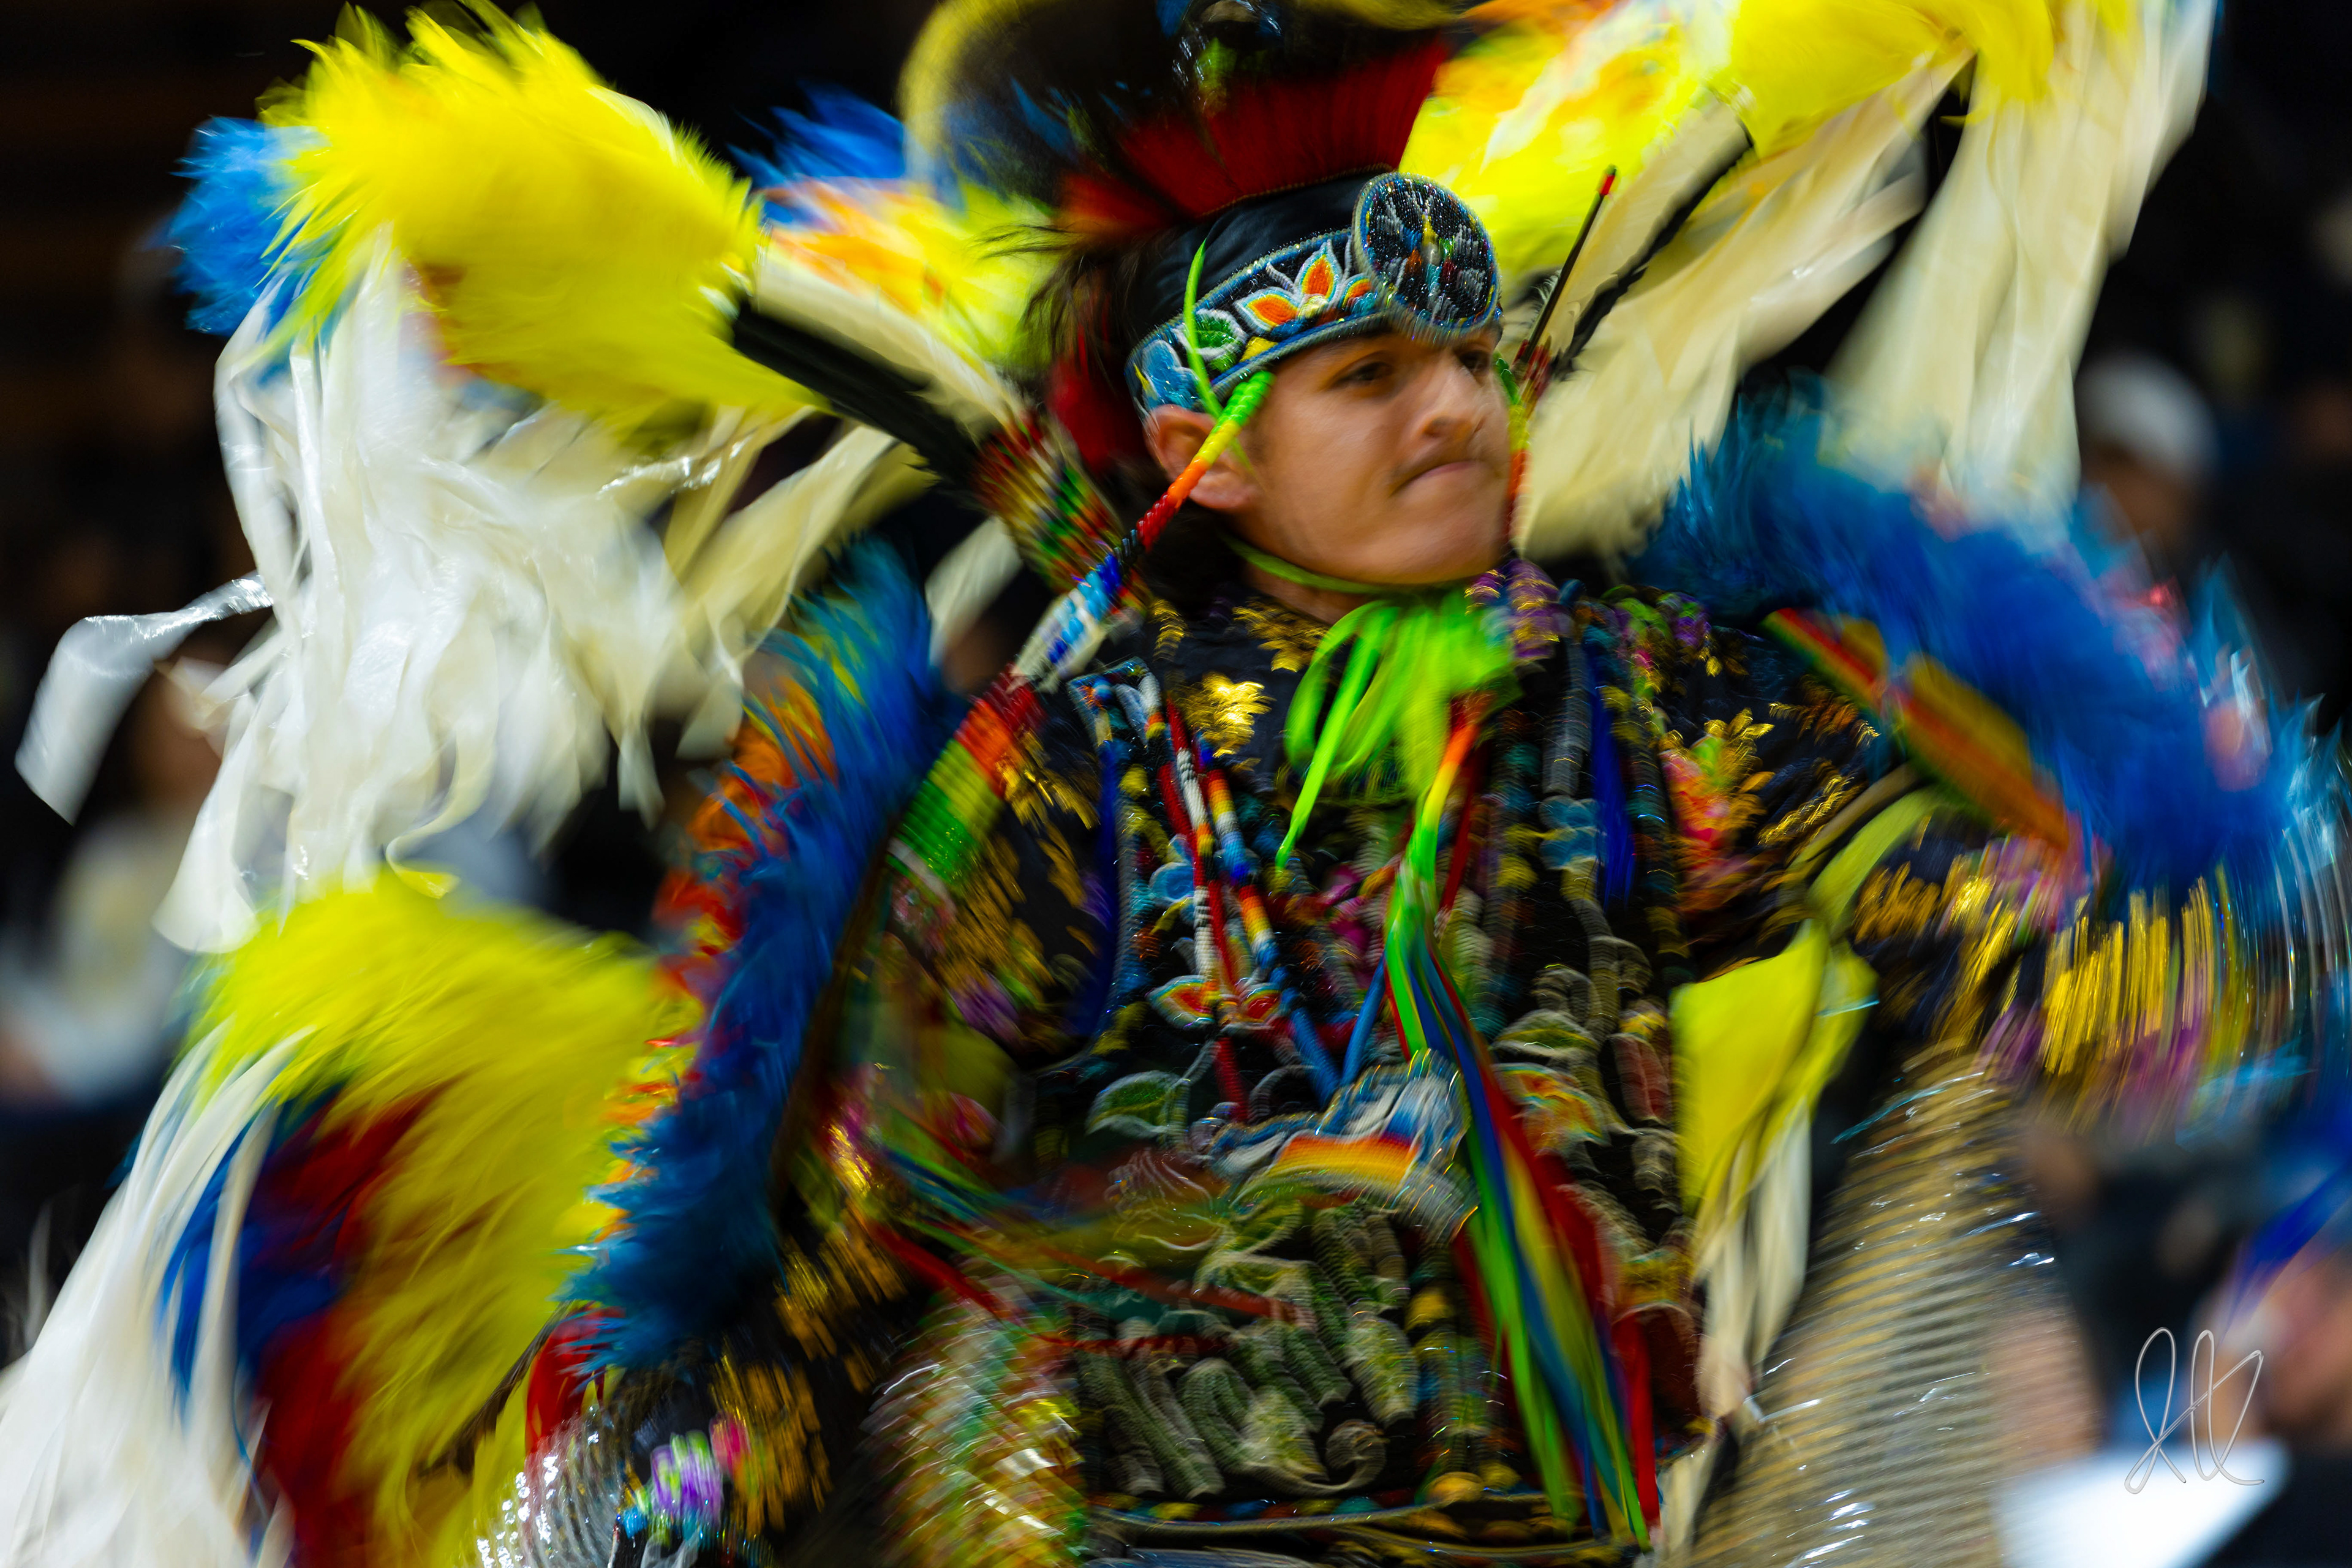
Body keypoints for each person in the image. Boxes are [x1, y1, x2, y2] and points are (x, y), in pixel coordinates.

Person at [0, 3, 2341, 1567]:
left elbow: (2095, 961)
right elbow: (844, 1263)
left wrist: (2183, 836)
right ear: (1209, 453)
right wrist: (602, 1522)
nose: (1459, 414)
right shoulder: (1051, 789)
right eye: (1369, 378)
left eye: (1471, 359)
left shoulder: (1641, 710)